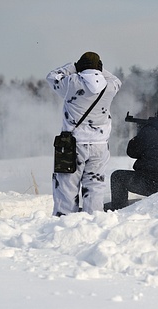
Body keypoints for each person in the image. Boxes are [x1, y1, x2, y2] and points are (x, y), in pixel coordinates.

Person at [46, 52, 121, 215]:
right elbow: (116, 79)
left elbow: (52, 77)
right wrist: (99, 70)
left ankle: (63, 223)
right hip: (100, 146)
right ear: (100, 68)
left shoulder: (71, 83)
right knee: (95, 187)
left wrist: (73, 67)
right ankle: (93, 222)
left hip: (72, 146)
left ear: (80, 66)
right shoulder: (110, 86)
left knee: (66, 188)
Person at [105, 97, 158, 210]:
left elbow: (132, 152)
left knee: (118, 177)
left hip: (151, 183)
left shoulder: (150, 130)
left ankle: (118, 210)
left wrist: (140, 133)